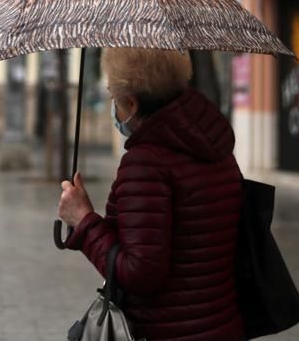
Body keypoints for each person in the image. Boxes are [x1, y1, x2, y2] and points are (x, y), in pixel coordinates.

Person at [58, 48, 244, 340]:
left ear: (131, 103)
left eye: (113, 96)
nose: (113, 107)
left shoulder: (146, 163)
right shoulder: (215, 147)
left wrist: (83, 220)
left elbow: (140, 273)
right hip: (221, 325)